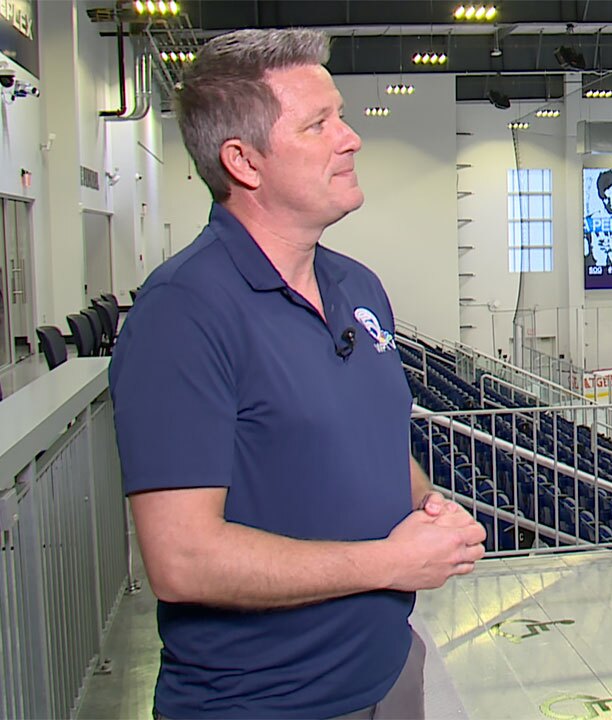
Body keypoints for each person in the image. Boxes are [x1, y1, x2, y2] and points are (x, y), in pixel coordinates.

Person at [109, 28, 486, 719]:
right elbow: (183, 559)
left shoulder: (359, 286)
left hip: (387, 669)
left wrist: (430, 508)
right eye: (319, 124)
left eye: (341, 116)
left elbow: (371, 438)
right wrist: (389, 563)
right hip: (266, 701)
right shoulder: (182, 313)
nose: (351, 139)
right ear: (244, 161)